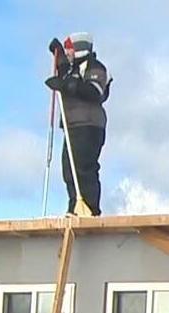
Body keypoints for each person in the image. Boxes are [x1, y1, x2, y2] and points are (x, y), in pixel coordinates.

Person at [45, 32, 110, 216]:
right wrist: (57, 54)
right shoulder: (73, 69)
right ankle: (76, 205)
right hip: (72, 125)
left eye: (69, 49)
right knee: (69, 168)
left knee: (84, 166)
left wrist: (66, 86)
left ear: (80, 49)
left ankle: (90, 208)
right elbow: (64, 70)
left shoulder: (94, 67)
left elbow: (94, 91)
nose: (68, 53)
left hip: (89, 124)